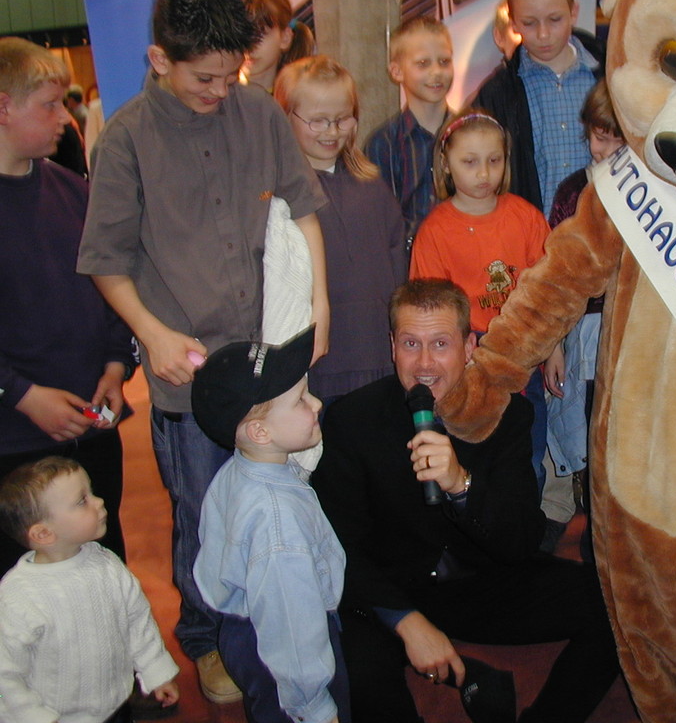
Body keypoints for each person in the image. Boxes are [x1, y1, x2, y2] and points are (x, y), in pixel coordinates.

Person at [76, 0, 329, 704]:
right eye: (205, 78)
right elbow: (105, 261)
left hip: (269, 354)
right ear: (160, 60)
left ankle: (284, 621)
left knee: (281, 493)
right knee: (205, 511)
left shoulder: (257, 112)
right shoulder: (124, 140)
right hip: (186, 370)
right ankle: (207, 638)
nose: (222, 91)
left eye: (232, 75)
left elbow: (303, 211)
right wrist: (150, 334)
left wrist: (320, 306)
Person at [313, 278, 621, 723]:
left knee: (614, 606)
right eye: (410, 343)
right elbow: (338, 545)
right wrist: (406, 620)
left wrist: (462, 484)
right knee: (360, 674)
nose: (424, 363)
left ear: (469, 346)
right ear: (392, 347)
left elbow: (521, 539)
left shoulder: (508, 413)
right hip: (391, 592)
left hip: (482, 581)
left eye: (440, 343)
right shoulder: (350, 419)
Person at [0, 36, 135, 576]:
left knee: (104, 561)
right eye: (49, 105)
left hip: (92, 427)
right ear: (3, 106)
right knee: (29, 582)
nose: (65, 117)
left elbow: (110, 289)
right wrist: (23, 396)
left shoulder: (74, 191)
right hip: (15, 441)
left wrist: (115, 365)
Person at [192, 326, 349, 723]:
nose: (315, 404)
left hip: (242, 629)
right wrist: (314, 706)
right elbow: (293, 626)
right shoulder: (279, 524)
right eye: (300, 400)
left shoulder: (237, 473)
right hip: (282, 649)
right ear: (260, 432)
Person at [409, 111, 551, 493]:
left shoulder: (526, 218)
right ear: (447, 164)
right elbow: (432, 309)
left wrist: (553, 348)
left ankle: (526, 528)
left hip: (523, 354)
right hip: (467, 357)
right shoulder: (435, 231)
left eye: (494, 160)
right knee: (470, 452)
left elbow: (549, 292)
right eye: (469, 162)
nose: (484, 174)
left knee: (527, 452)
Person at [0, 457, 179, 723]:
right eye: (82, 501)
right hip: (56, 716)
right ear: (43, 534)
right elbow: (5, 670)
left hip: (115, 704)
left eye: (91, 492)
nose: (99, 502)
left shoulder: (105, 563)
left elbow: (136, 620)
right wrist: (31, 716)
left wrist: (155, 671)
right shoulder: (20, 596)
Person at [275, 55, 408, 407]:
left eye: (342, 119)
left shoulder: (372, 183)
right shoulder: (279, 194)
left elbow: (397, 261)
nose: (332, 132)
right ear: (286, 116)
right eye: (317, 121)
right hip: (320, 361)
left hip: (379, 353)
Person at [543, 79, 625, 558]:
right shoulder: (573, 191)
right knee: (590, 437)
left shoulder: (656, 191)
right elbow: (554, 274)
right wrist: (553, 343)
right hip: (585, 333)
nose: (609, 149)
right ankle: (595, 536)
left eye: (620, 139)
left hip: (633, 336)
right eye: (600, 137)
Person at [472, 0, 604, 220]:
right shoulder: (497, 94)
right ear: (513, 21)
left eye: (555, 19)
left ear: (574, 12)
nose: (543, 34)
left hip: (603, 235)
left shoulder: (609, 77)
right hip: (532, 240)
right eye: (530, 23)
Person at [365, 16, 454, 250]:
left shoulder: (470, 133)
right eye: (423, 63)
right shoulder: (382, 143)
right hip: (409, 272)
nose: (436, 72)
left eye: (444, 61)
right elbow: (378, 223)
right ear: (396, 71)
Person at [241, 0, 315, 92]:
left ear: (285, 37)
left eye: (259, 34)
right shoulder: (223, 96)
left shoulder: (299, 96)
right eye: (240, 35)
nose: (248, 45)